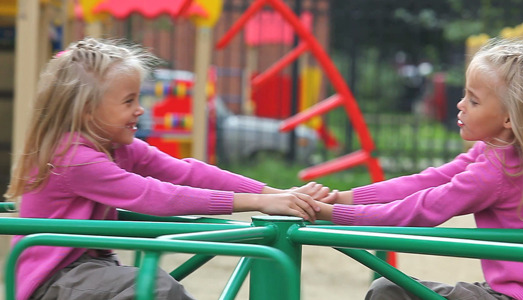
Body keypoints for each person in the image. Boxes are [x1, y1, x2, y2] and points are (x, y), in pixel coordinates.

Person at [5, 37, 327, 300]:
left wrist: (274, 193)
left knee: (153, 288)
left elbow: (187, 172)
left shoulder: (120, 147)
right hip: (53, 282)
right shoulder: (74, 157)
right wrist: (256, 204)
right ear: (88, 111)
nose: (140, 109)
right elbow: (154, 196)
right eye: (129, 101)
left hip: (88, 269)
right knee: (158, 291)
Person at [314, 39, 523, 300]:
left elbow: (422, 209)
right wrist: (342, 198)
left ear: (509, 117)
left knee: (388, 292)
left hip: (514, 297)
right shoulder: (508, 153)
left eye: (474, 100)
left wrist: (329, 213)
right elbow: (429, 180)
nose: (460, 105)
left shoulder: (497, 172)